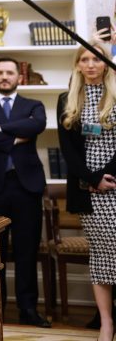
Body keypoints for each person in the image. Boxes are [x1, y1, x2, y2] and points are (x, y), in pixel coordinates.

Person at [0, 57, 50, 328]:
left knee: (26, 250)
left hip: (26, 186)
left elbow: (37, 125)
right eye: (0, 72)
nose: (5, 76)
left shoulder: (34, 106)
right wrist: (17, 136)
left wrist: (2, 130)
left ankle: (28, 309)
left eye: (10, 72)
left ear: (20, 77)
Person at [58, 42, 116, 341]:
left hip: (115, 182)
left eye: (96, 59)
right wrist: (93, 178)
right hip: (88, 189)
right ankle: (106, 323)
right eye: (84, 59)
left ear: (106, 63)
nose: (90, 64)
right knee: (103, 253)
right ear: (78, 65)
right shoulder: (66, 99)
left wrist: (109, 175)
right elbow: (68, 150)